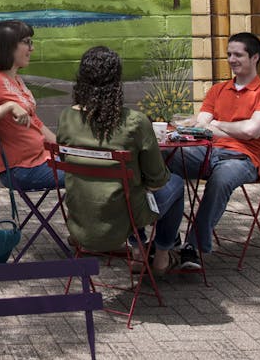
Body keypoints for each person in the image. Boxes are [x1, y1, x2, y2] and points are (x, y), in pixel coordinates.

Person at [55, 46, 186, 275]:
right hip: (125, 219)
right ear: (117, 82)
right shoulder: (135, 122)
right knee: (175, 183)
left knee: (128, 189)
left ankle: (139, 253)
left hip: (81, 217)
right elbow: (157, 180)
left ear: (81, 80)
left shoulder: (66, 118)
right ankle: (162, 257)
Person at [157, 31, 260, 270]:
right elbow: (201, 126)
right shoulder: (217, 90)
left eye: (238, 55)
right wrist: (221, 127)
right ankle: (167, 238)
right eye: (229, 54)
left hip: (244, 158)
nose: (231, 60)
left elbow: (251, 132)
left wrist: (216, 125)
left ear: (255, 57)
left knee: (221, 179)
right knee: (159, 159)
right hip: (206, 152)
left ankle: (192, 248)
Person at [0, 19, 57, 191]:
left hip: (43, 159)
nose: (32, 48)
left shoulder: (17, 80)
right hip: (22, 169)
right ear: (9, 46)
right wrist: (7, 106)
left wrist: (66, 148)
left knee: (95, 166)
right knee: (88, 173)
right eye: (27, 42)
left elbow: (36, 123)